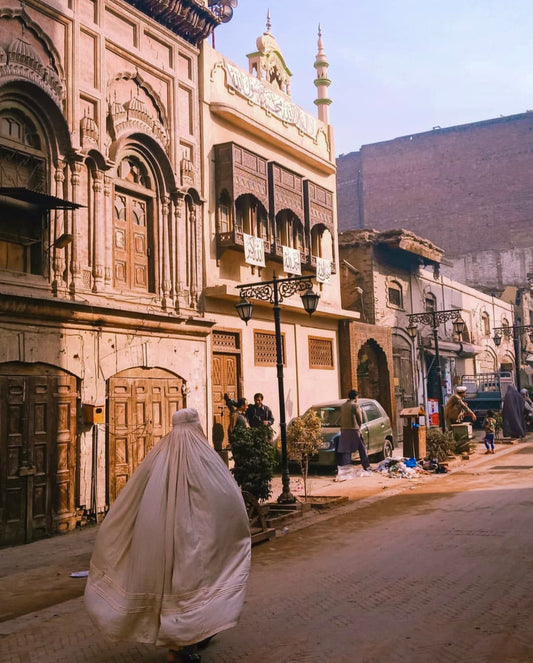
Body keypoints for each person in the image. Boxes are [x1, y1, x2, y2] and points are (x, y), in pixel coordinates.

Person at [84, 408, 251, 663]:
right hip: (194, 543)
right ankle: (179, 648)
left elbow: (132, 500)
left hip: (160, 541)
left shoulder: (158, 458)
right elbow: (227, 499)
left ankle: (190, 638)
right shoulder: (206, 458)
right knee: (191, 588)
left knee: (174, 590)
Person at [336, 389, 372, 481]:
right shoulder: (355, 405)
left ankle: (346, 469)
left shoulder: (343, 406)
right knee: (362, 448)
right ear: (356, 397)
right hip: (354, 429)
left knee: (346, 449)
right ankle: (366, 466)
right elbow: (359, 418)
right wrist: (359, 427)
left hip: (344, 430)